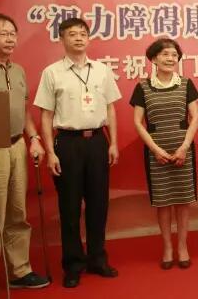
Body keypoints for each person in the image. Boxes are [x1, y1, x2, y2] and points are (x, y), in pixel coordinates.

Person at [34, 18, 121, 288]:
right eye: (72, 34)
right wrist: (51, 152)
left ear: (89, 38)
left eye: (83, 33)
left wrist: (113, 143)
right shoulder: (52, 73)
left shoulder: (102, 70)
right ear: (62, 39)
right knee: (69, 207)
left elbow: (110, 109)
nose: (79, 38)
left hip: (97, 142)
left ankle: (97, 258)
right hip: (68, 144)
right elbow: (46, 115)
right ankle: (73, 264)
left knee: (98, 205)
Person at [0, 13, 49, 289]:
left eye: (12, 33)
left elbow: (24, 111)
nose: (10, 38)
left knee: (17, 211)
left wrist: (34, 138)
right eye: (2, 33)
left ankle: (19, 271)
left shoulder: (18, 70)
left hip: (17, 145)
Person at [130, 38, 198, 269]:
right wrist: (156, 150)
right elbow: (138, 122)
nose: (171, 59)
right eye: (165, 54)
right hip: (156, 151)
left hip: (183, 150)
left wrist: (184, 147)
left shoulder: (186, 84)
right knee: (163, 202)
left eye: (174, 55)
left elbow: (195, 117)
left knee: (183, 201)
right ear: (154, 59)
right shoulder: (143, 87)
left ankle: (183, 246)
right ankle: (168, 247)